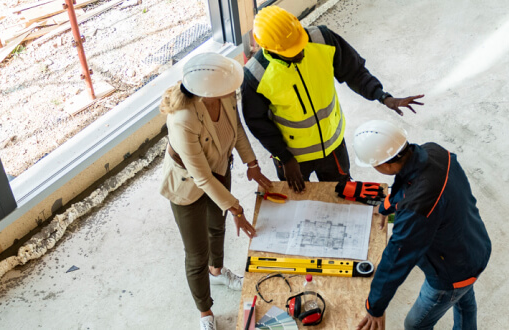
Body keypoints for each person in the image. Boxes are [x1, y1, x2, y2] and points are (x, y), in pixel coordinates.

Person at [242, 6, 425, 192]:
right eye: (292, 51)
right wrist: (285, 158)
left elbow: (354, 71)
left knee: (342, 192)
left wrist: (383, 96)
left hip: (332, 146)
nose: (301, 53)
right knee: (299, 201)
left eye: (300, 43)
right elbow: (258, 124)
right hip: (293, 158)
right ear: (269, 48)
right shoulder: (256, 76)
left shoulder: (323, 40)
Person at [159, 52, 273, 330]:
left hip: (219, 168)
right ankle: (205, 312)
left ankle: (218, 272)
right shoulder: (183, 117)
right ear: (207, 90)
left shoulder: (224, 95)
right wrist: (236, 207)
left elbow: (236, 129)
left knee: (217, 227)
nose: (234, 88)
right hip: (188, 186)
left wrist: (252, 163)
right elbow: (201, 177)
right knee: (196, 253)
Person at [349, 120, 491, 330]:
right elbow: (409, 183)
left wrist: (374, 307)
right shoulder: (435, 152)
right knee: (464, 300)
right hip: (474, 246)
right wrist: (387, 205)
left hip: (451, 272)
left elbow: (396, 257)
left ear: (386, 164)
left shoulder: (416, 207)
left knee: (415, 324)